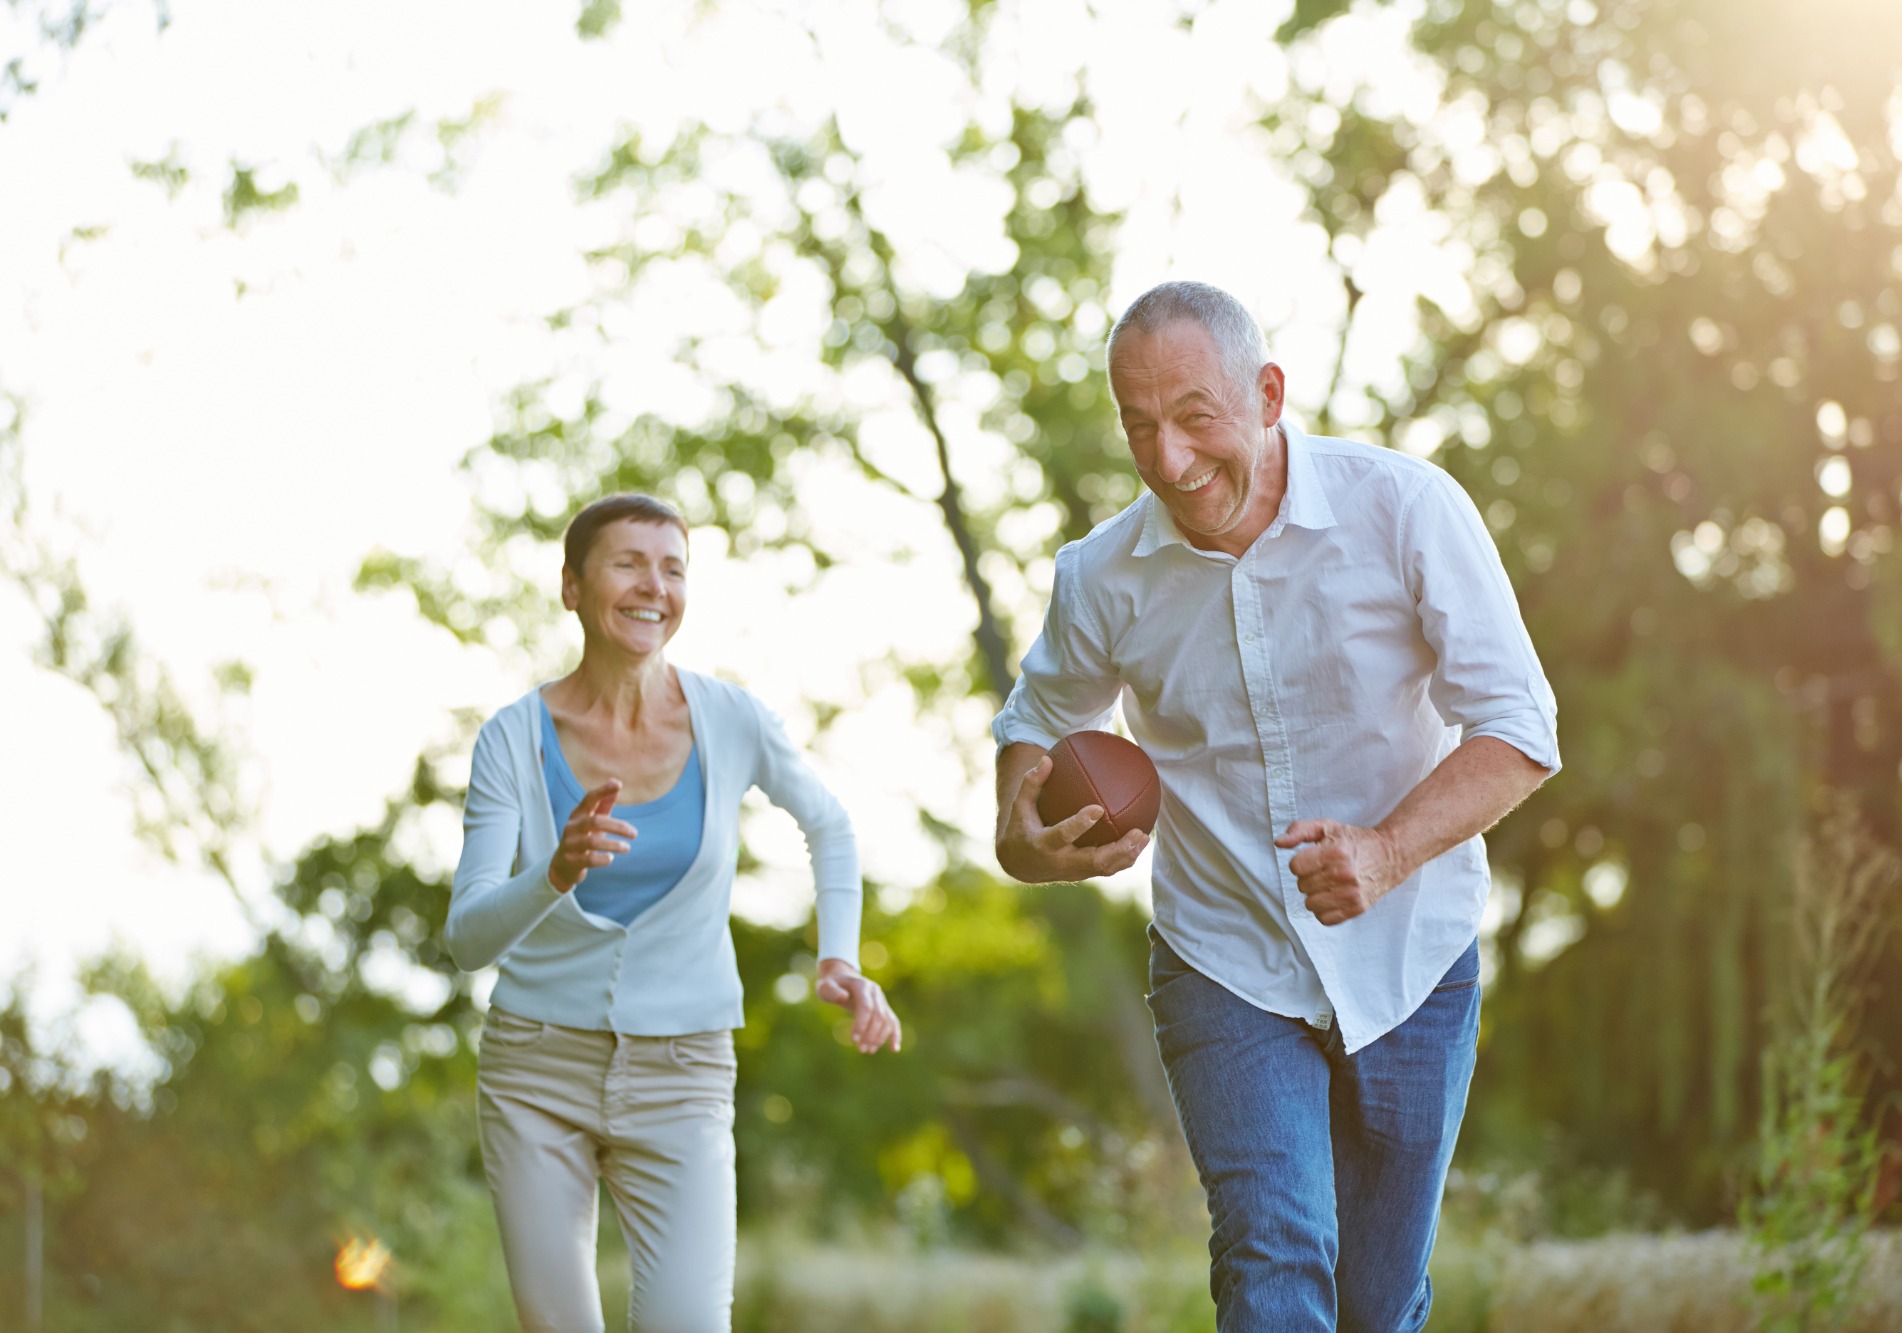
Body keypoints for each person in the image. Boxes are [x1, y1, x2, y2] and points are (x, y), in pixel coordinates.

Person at [992, 281, 1558, 1331]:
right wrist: (1019, 836)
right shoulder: (1101, 575)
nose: (1169, 460)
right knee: (1272, 1251)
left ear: (1267, 394)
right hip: (1223, 957)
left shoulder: (1404, 508)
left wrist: (1387, 851)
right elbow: (1036, 718)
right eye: (1138, 426)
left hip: (1412, 955)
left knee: (1378, 1301)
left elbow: (1520, 728)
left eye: (1194, 416)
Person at [448, 493, 900, 1333]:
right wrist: (553, 872)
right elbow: (467, 937)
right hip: (536, 1070)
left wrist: (839, 955)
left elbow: (830, 825)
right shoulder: (512, 739)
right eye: (628, 563)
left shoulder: (731, 719)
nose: (653, 586)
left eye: (673, 568)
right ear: (572, 587)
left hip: (684, 1073)